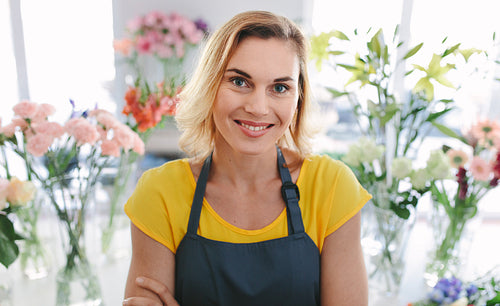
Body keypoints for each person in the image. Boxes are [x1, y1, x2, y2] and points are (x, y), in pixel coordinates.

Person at [122, 10, 371, 306]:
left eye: (280, 88)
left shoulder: (332, 187)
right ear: (210, 86)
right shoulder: (159, 192)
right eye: (240, 82)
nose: (258, 107)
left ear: (298, 98)